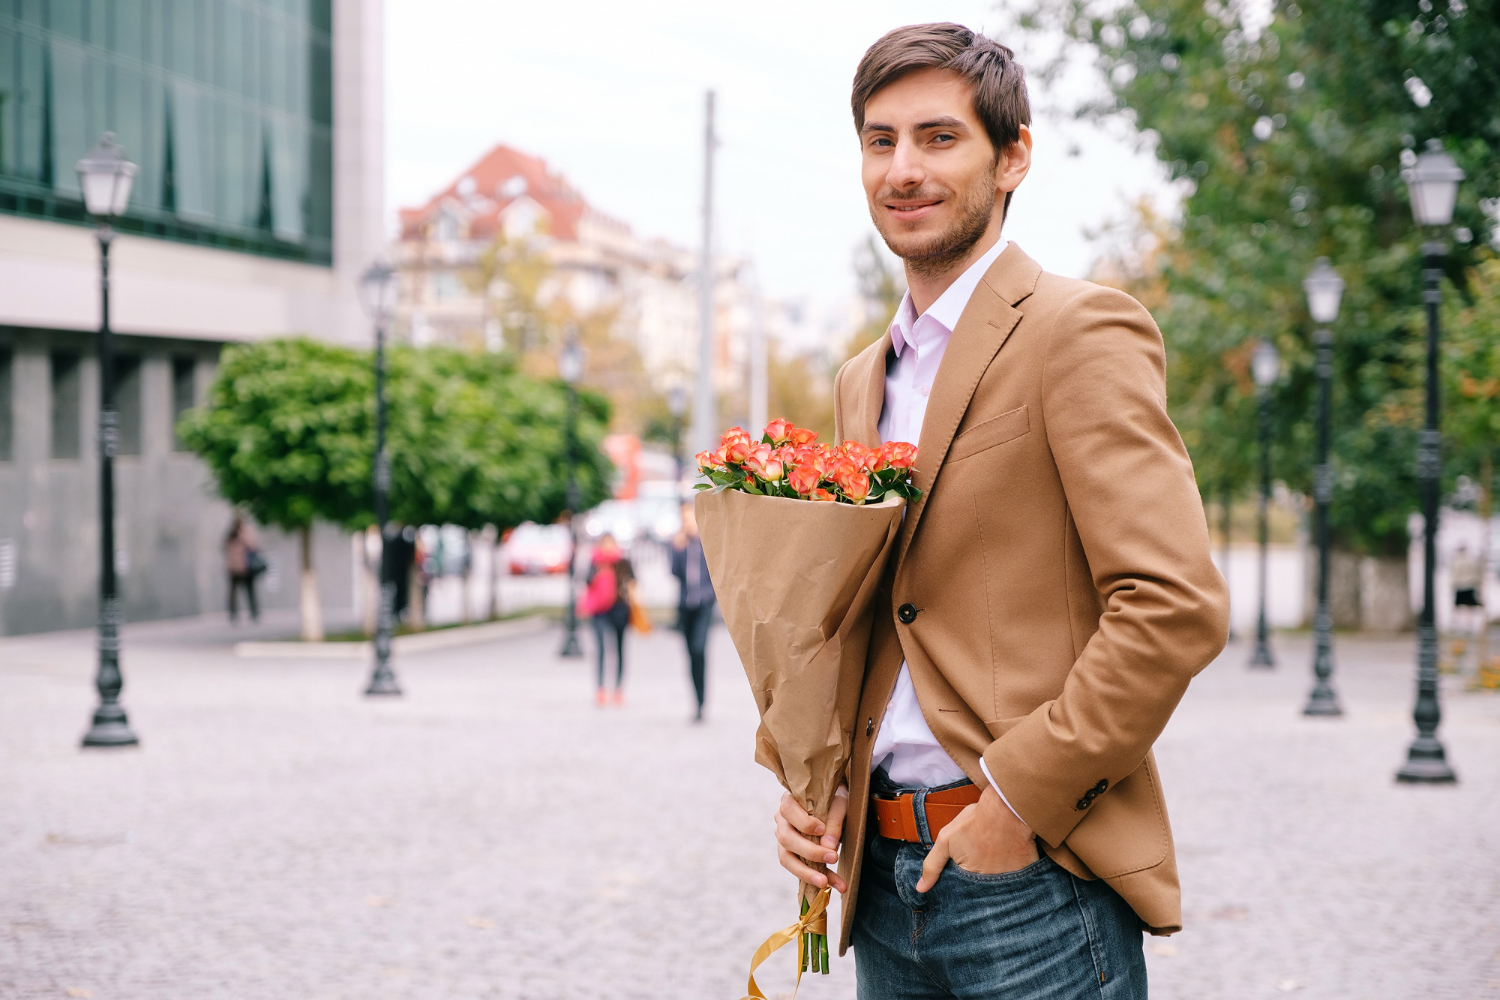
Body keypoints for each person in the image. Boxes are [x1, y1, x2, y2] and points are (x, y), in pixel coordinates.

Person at [771, 25, 1229, 999]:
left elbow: (1173, 603)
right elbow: (883, 617)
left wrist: (1015, 804)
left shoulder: (1078, 331)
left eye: (939, 138)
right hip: (880, 887)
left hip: (1028, 880)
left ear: (1012, 153)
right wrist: (817, 790)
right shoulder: (863, 378)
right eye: (879, 140)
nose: (903, 169)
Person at [671, 501, 716, 721]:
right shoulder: (679, 544)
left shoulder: (707, 542)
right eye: (684, 517)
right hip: (685, 604)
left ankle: (702, 698)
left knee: (699, 649)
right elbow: (674, 572)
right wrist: (676, 546)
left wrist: (710, 594)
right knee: (690, 653)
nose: (687, 521)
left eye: (690, 516)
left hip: (704, 604)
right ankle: (696, 702)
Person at [583, 534, 635, 707]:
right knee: (600, 649)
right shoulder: (595, 562)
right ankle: (600, 687)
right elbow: (587, 581)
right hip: (600, 611)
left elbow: (633, 582)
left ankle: (618, 688)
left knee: (619, 649)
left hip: (619, 609)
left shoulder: (623, 562)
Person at [223, 515, 261, 624]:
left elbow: (253, 546)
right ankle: (234, 614)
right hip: (237, 568)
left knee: (249, 591)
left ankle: (253, 612)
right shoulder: (231, 535)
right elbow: (253, 546)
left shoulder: (241, 534)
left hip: (243, 568)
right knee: (235, 593)